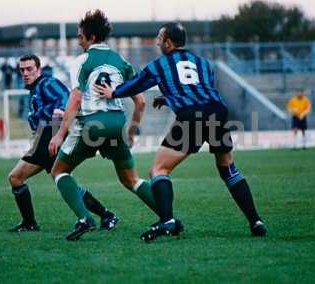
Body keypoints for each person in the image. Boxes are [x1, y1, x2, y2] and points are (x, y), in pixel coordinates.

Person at [94, 22, 267, 241]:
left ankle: (167, 220)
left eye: (159, 38)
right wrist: (169, 98)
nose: (157, 42)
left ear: (168, 42)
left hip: (191, 116)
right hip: (217, 111)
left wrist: (114, 92)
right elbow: (198, 89)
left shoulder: (161, 64)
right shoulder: (203, 63)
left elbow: (139, 83)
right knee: (228, 168)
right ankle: (256, 221)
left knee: (158, 170)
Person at [48, 10, 159, 241]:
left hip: (91, 124)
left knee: (59, 171)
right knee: (131, 179)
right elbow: (140, 100)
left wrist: (59, 134)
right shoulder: (122, 62)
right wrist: (132, 129)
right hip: (116, 123)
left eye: (80, 37)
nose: (78, 41)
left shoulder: (82, 61)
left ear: (90, 37)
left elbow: (76, 99)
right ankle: (167, 217)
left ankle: (84, 218)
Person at [7, 54, 119, 232]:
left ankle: (31, 223)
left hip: (50, 135)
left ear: (39, 70)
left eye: (29, 69)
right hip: (45, 136)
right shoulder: (35, 89)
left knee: (17, 177)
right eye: (22, 70)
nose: (25, 73)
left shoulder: (46, 83)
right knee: (59, 179)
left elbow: (65, 97)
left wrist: (58, 114)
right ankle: (106, 215)